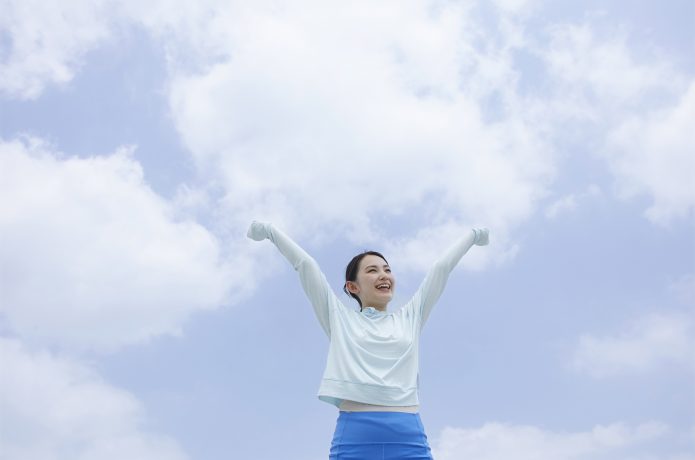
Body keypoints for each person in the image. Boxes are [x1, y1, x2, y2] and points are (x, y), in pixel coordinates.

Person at [247, 221, 489, 460]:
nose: (383, 275)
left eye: (387, 269)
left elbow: (441, 268)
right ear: (352, 287)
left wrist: (473, 235)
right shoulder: (339, 318)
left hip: (408, 437)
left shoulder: (410, 317)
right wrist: (270, 231)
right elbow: (306, 265)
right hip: (355, 437)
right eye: (372, 270)